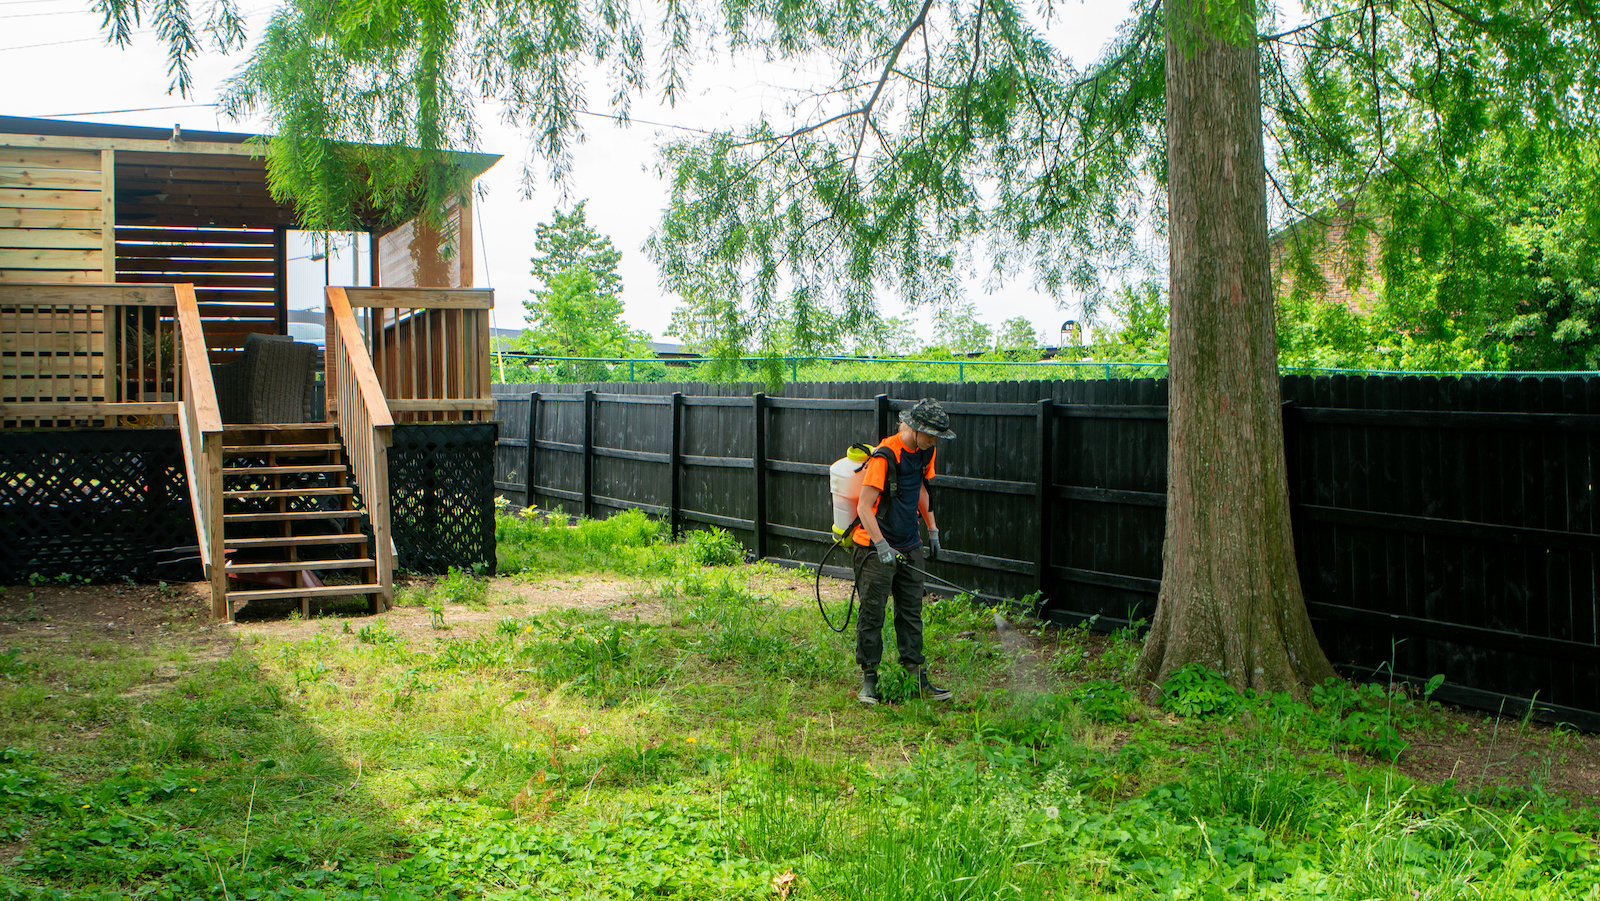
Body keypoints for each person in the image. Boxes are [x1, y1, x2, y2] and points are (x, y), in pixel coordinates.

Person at [851, 397, 956, 704]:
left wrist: (933, 530)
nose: (935, 440)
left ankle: (916, 678)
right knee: (872, 614)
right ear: (915, 428)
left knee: (911, 613)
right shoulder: (885, 455)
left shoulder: (926, 452)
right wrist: (881, 545)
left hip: (910, 544)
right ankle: (869, 680)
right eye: (932, 434)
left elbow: (923, 490)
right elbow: (863, 507)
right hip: (873, 547)